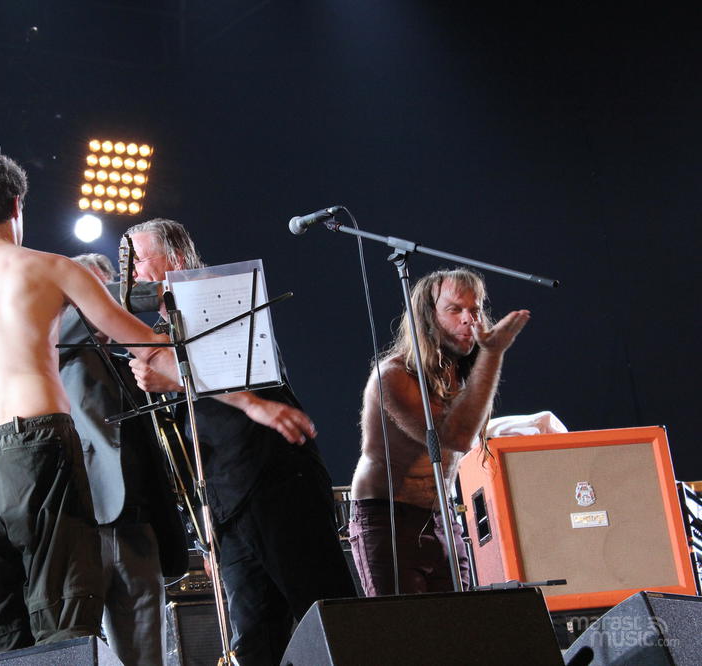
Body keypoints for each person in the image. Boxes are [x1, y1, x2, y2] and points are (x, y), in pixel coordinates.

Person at [0, 153, 171, 657]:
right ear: (16, 205)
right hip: (39, 444)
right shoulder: (50, 267)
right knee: (63, 619)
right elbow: (143, 344)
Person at [126, 218, 356, 665]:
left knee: (324, 614)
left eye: (139, 260)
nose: (132, 273)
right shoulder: (167, 332)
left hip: (275, 480)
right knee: (254, 638)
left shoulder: (221, 297)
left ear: (176, 258)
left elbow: (239, 371)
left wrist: (173, 375)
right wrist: (205, 527)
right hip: (226, 504)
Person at [348, 268, 530, 596]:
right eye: (455, 309)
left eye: (474, 309)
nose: (469, 319)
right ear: (429, 317)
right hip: (388, 518)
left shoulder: (463, 377)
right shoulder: (393, 376)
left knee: (458, 619)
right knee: (406, 623)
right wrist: (492, 353)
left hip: (442, 516)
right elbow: (454, 437)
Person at [60, 253, 187, 666]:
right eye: (92, 292)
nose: (103, 304)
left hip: (138, 529)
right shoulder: (54, 347)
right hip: (83, 529)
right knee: (74, 651)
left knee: (147, 656)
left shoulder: (130, 366)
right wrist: (156, 291)